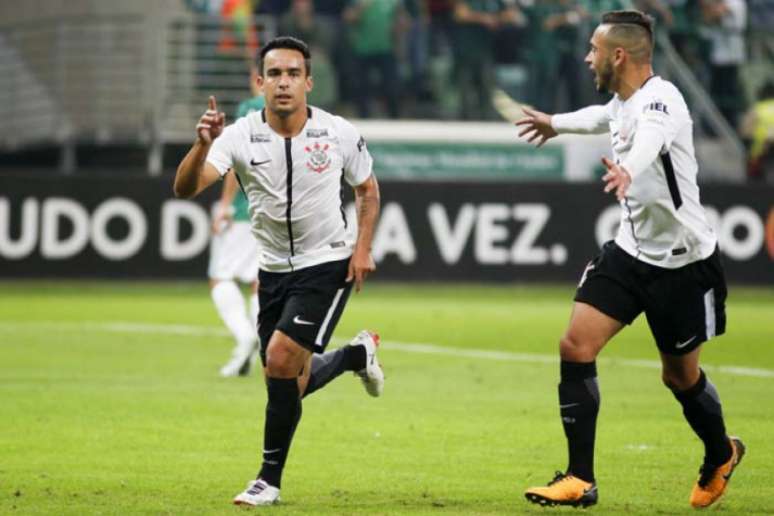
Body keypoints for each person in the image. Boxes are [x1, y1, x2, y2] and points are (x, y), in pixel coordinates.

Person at [516, 11, 743, 509]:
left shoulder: (663, 100)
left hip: (683, 263)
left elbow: (651, 138)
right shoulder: (623, 101)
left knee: (679, 377)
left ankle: (721, 452)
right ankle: (580, 478)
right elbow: (604, 118)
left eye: (593, 49)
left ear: (618, 55)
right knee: (575, 345)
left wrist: (627, 169)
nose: (586, 57)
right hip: (630, 252)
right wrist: (555, 124)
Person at [173, 36, 385, 506]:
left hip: (327, 262)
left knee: (281, 361)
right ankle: (355, 356)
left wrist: (362, 248)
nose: (283, 82)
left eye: (292, 74)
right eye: (274, 74)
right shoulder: (240, 135)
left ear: (308, 81)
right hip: (272, 270)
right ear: (260, 82)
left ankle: (267, 480)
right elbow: (186, 188)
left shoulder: (337, 133)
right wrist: (200, 144)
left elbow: (368, 189)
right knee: (288, 381)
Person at [208, 67, 265, 378]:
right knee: (260, 280)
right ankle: (257, 339)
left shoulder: (251, 109)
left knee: (220, 278)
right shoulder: (301, 113)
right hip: (277, 214)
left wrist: (226, 206)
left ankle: (245, 337)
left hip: (246, 212)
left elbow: (236, 160)